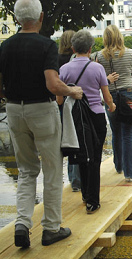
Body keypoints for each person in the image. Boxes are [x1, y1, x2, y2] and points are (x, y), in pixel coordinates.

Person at [0, 0, 83, 248]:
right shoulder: (46, 45)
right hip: (42, 110)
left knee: (25, 170)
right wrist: (72, 91)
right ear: (41, 16)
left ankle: (22, 225)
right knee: (52, 169)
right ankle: (50, 228)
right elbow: (52, 83)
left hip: (14, 109)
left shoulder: (4, 46)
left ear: (15, 18)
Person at [58, 30, 116, 214]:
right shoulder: (97, 68)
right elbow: (106, 97)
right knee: (95, 158)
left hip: (75, 118)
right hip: (96, 116)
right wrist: (112, 106)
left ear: (73, 48)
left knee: (81, 155)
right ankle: (93, 201)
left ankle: (84, 194)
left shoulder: (64, 69)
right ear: (91, 48)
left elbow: (59, 100)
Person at [96, 24, 132, 183]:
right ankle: (129, 173)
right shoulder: (130, 53)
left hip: (110, 96)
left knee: (116, 132)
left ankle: (118, 165)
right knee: (127, 134)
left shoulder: (100, 56)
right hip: (128, 94)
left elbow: (98, 78)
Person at [57, 30, 82, 193]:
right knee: (77, 139)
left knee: (65, 140)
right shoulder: (76, 60)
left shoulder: (56, 59)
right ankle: (77, 180)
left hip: (60, 104)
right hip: (75, 102)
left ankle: (71, 178)